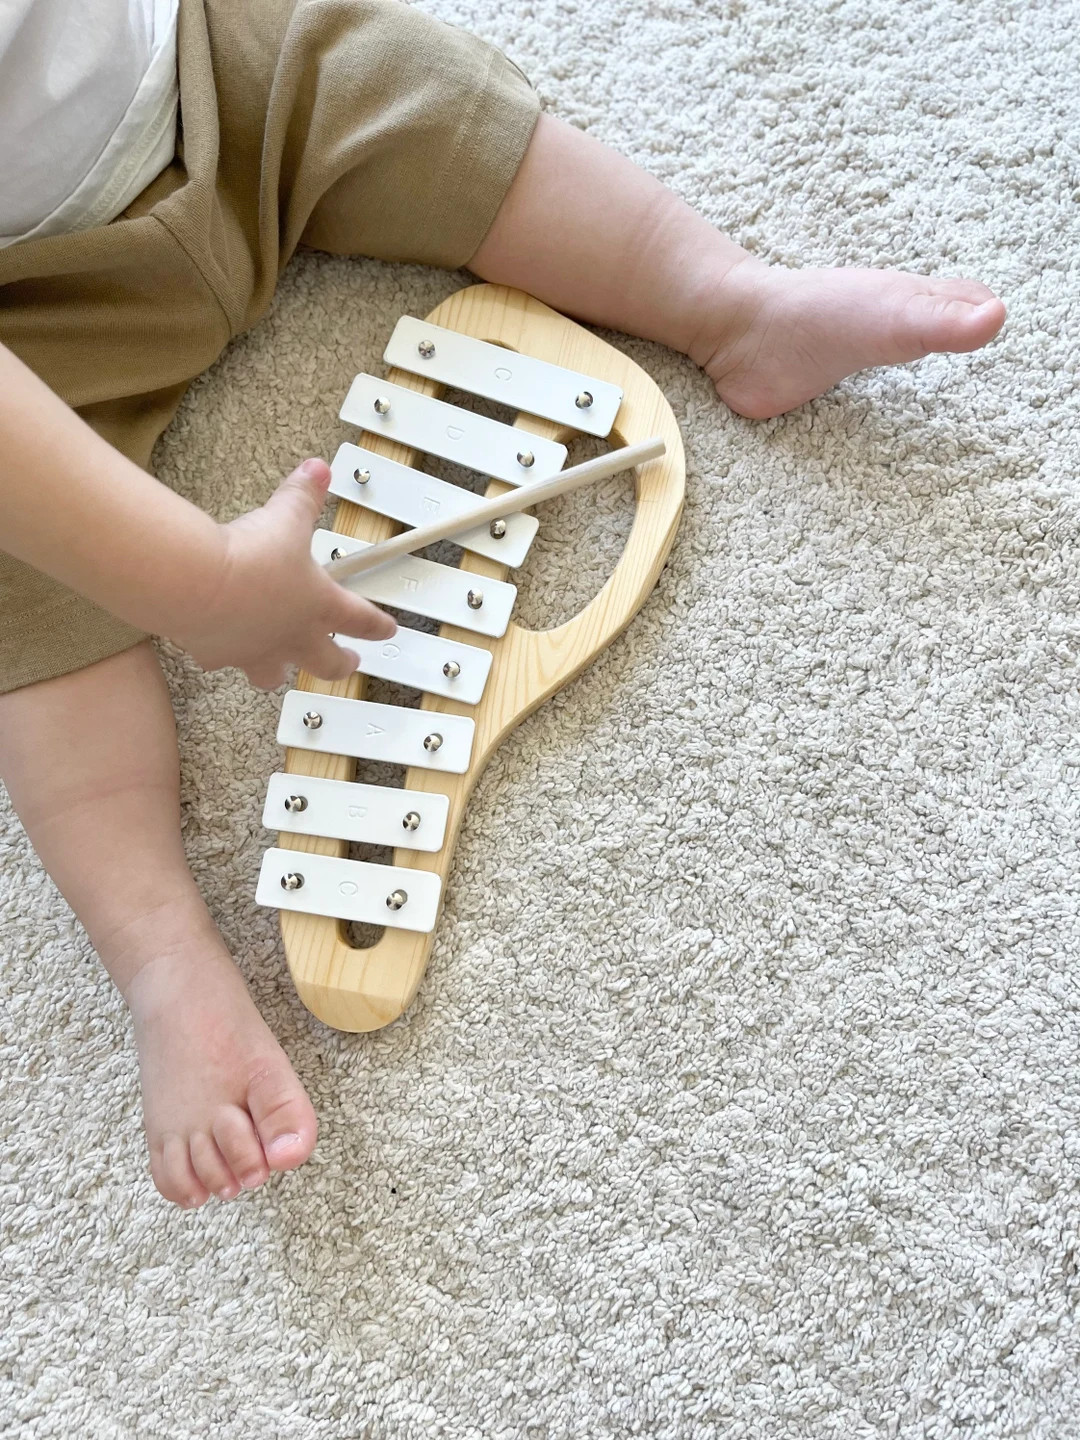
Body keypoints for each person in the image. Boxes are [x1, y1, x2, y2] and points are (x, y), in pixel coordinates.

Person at [0, 0, 1005, 1209]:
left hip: (200, 67)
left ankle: (727, 301)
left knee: (410, 92)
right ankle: (163, 957)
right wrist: (196, 583)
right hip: (30, 321)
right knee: (26, 589)